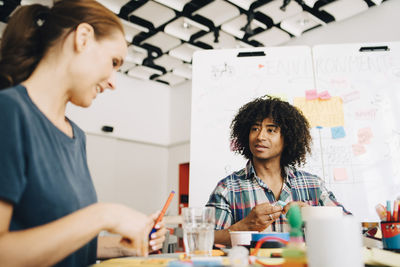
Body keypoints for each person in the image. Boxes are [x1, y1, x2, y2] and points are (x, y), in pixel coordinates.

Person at [0, 1, 166, 266]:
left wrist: (126, 244)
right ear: (83, 38)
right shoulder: (9, 112)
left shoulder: (76, 136)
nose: (113, 82)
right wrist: (105, 216)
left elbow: (65, 244)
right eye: (113, 62)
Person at [206, 96, 350, 246]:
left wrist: (312, 214)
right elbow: (206, 237)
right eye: (255, 129)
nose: (260, 136)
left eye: (271, 130)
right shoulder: (227, 188)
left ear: (287, 138)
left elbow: (349, 227)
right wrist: (245, 226)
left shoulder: (313, 185)